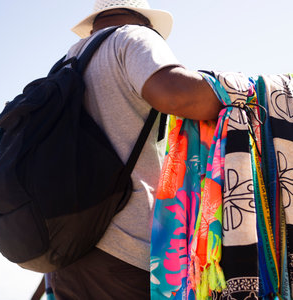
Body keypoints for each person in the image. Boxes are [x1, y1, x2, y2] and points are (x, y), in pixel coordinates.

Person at [49, 0, 222, 299]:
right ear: (145, 21)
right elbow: (177, 95)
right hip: (127, 250)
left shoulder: (67, 61)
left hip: (67, 252)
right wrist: (247, 94)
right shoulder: (133, 37)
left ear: (93, 24)